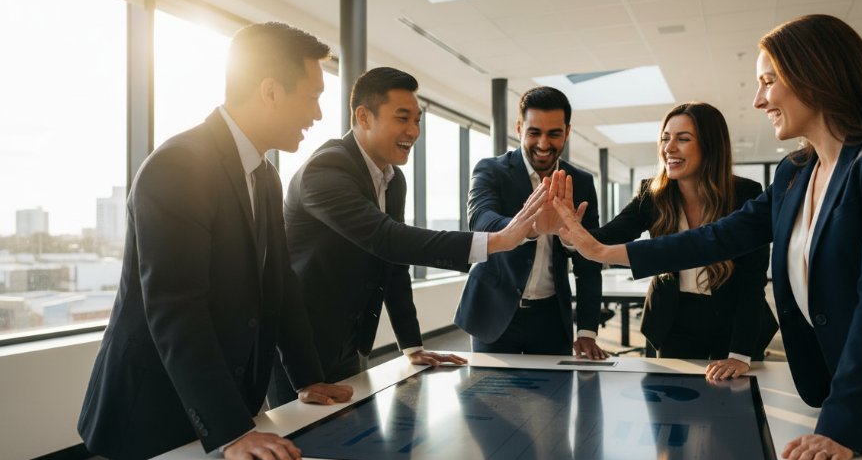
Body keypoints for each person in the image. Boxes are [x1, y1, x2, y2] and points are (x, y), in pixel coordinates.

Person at [549, 14, 862, 460]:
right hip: (853, 391)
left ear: (815, 74)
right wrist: (598, 250)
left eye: (769, 81)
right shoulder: (795, 173)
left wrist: (841, 424)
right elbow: (716, 237)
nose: (758, 98)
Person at [77, 22, 354, 460]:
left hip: (221, 402)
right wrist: (231, 430)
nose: (318, 115)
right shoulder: (178, 166)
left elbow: (279, 284)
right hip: (153, 409)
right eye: (312, 96)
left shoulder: (265, 176)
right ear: (269, 91)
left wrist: (308, 378)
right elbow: (176, 308)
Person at [268, 67, 549, 406]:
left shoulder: (392, 180)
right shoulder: (325, 170)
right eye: (403, 118)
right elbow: (388, 239)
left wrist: (412, 346)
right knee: (301, 452)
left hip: (349, 342)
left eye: (418, 120)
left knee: (353, 445)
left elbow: (393, 262)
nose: (413, 131)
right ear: (363, 116)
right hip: (297, 349)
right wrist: (500, 240)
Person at [593, 102, 776, 378]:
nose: (669, 147)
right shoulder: (652, 193)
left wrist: (739, 355)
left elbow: (752, 281)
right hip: (672, 319)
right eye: (665, 138)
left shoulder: (744, 194)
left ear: (710, 146)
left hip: (734, 318)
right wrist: (569, 229)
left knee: (732, 410)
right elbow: (606, 238)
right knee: (670, 408)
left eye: (683, 139)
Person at [455, 86, 607, 359]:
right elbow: (481, 221)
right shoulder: (490, 170)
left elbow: (589, 263)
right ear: (519, 128)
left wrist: (586, 330)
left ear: (567, 132)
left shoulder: (581, 182)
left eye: (554, 133)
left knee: (555, 400)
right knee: (491, 399)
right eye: (534, 132)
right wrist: (531, 227)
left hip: (551, 318)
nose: (544, 144)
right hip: (494, 311)